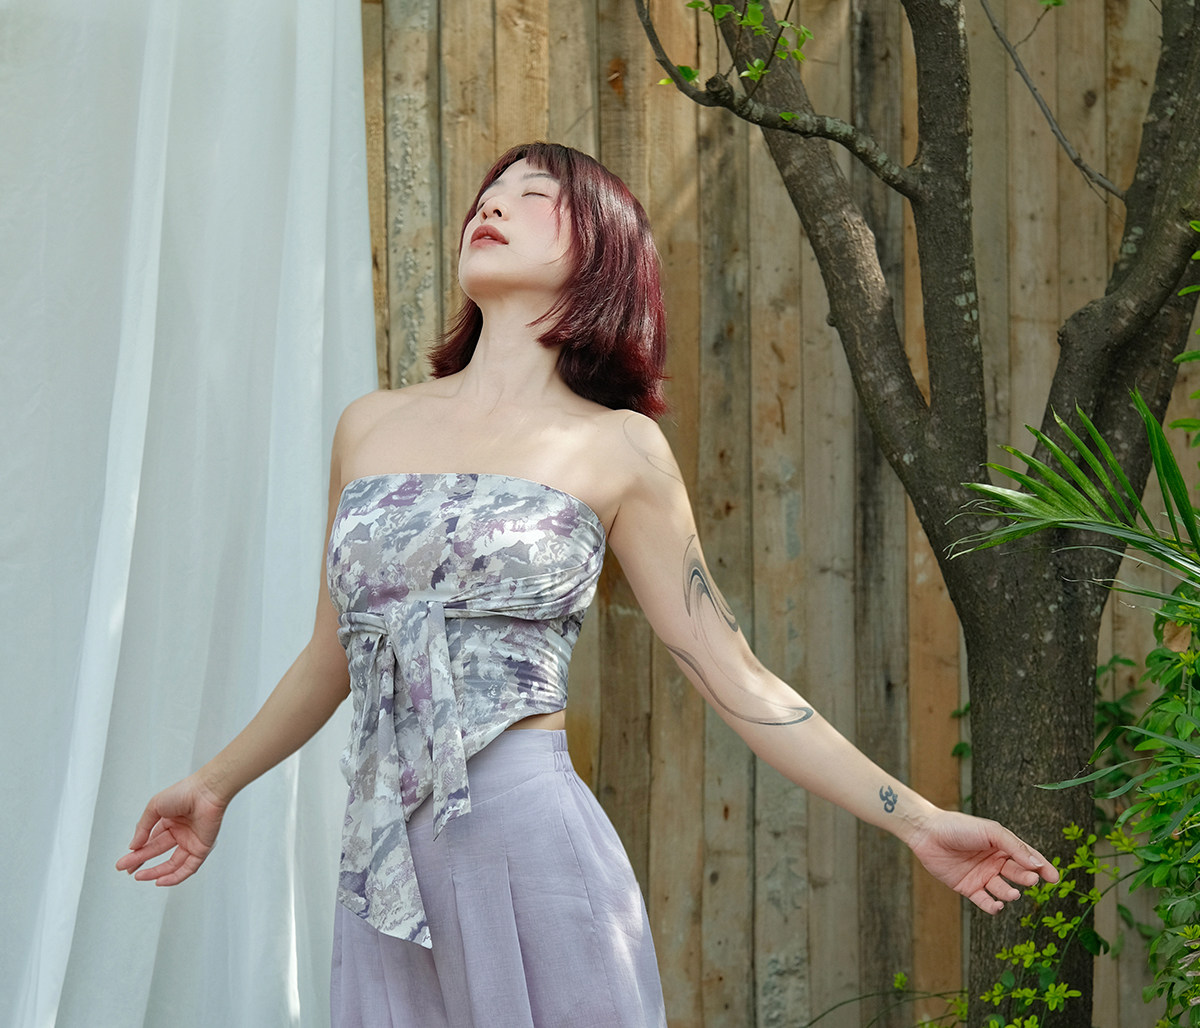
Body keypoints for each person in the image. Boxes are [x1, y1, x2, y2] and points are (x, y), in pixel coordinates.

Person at [117, 142, 1058, 1026]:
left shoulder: (620, 448)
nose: (492, 206)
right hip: (387, 852)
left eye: (534, 196)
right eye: (489, 194)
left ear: (601, 254)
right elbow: (332, 655)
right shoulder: (369, 426)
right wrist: (215, 784)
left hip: (530, 840)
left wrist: (917, 819)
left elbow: (735, 675)